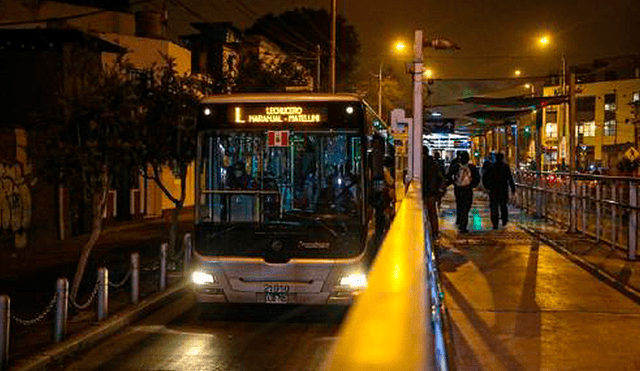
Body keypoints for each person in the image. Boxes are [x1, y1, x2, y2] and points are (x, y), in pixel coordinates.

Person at [446, 151, 480, 233]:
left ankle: (461, 221)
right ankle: (463, 224)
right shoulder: (472, 167)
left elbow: (448, 176)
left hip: (458, 189)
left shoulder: (456, 166)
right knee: (466, 206)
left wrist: (453, 183)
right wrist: (473, 185)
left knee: (460, 204)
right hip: (468, 189)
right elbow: (477, 178)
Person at [484, 153, 515, 229]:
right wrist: (512, 188)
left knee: (494, 206)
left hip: (493, 189)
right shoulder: (505, 167)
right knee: (503, 205)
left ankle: (495, 222)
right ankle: (504, 219)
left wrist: (487, 187)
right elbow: (509, 178)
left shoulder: (492, 167)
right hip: (503, 189)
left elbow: (486, 177)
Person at [423, 148, 444, 239]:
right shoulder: (435, 165)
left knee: (424, 214)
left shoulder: (421, 164)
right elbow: (440, 178)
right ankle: (435, 233)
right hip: (432, 192)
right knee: (432, 214)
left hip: (424, 192)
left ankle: (426, 233)